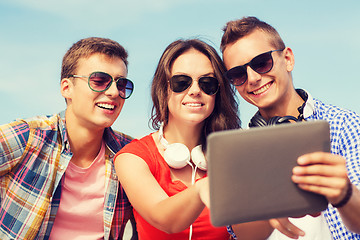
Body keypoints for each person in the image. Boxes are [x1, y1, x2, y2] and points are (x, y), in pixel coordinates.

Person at [114, 39, 273, 240]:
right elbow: (165, 219)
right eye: (181, 82)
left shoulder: (233, 159)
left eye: (208, 83)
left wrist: (271, 201)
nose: (195, 90)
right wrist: (202, 188)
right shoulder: (132, 158)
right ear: (164, 89)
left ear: (218, 93)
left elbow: (250, 235)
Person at [220, 16, 360, 239]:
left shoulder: (344, 125)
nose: (253, 78)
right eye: (238, 74)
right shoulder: (239, 151)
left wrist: (344, 194)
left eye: (261, 62)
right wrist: (269, 205)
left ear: (287, 59)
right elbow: (244, 235)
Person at [0, 37, 137, 239]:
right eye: (99, 81)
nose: (114, 92)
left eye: (122, 83)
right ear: (67, 88)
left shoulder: (129, 154)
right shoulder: (29, 136)